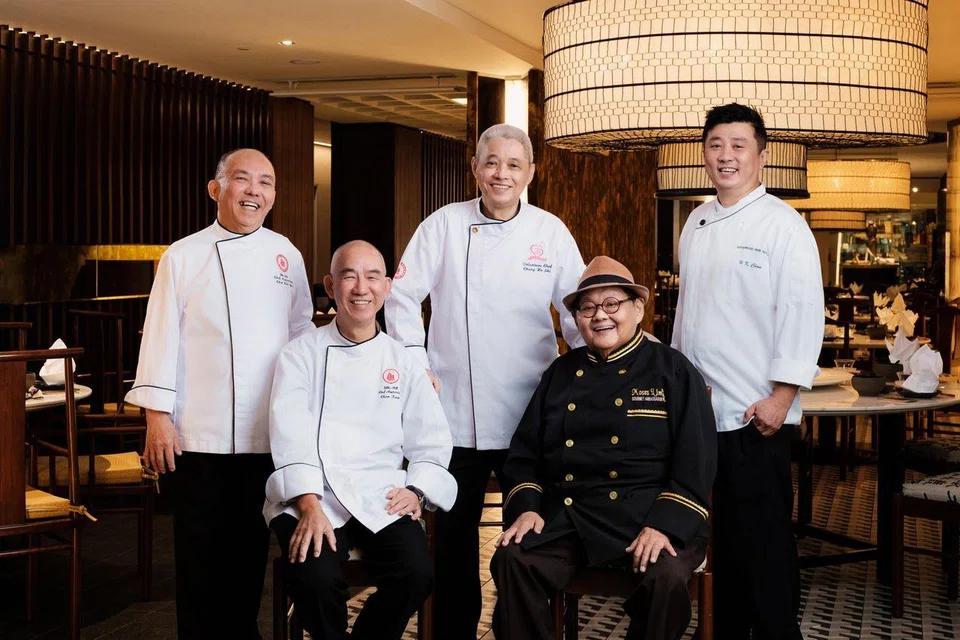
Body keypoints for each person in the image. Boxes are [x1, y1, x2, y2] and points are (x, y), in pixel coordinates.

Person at [384, 123, 586, 638]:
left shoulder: (550, 232)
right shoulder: (443, 225)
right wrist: (414, 360)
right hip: (452, 414)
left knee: (533, 529)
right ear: (474, 168)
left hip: (530, 415)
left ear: (531, 173)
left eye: (514, 165)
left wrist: (594, 375)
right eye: (492, 162)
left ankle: (523, 627)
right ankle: (454, 630)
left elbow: (577, 313)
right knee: (452, 537)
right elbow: (401, 297)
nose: (502, 174)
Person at [126, 148, 314, 639]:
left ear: (273, 195)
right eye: (242, 179)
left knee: (250, 551)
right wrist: (156, 416)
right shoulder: (183, 255)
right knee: (198, 556)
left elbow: (301, 341)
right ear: (216, 189)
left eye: (266, 183)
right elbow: (160, 332)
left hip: (264, 435)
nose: (254, 191)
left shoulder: (286, 254)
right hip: (198, 436)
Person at [491, 256, 716, 640]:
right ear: (576, 318)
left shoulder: (673, 370)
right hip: (572, 516)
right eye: (587, 307)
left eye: (612, 304)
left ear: (638, 308)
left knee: (665, 578)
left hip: (648, 515)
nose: (600, 316)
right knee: (513, 558)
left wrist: (663, 525)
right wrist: (527, 509)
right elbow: (524, 455)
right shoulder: (561, 373)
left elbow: (697, 462)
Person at [672, 103, 824, 639]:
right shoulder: (695, 220)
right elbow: (687, 317)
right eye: (716, 145)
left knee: (766, 546)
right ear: (705, 154)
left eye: (739, 145)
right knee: (721, 546)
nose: (726, 155)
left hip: (755, 415)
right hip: (699, 417)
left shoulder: (784, 225)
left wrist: (781, 398)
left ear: (761, 155)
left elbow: (802, 314)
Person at [264, 240, 457, 640]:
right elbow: (289, 435)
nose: (361, 287)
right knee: (315, 581)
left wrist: (418, 490)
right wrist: (307, 502)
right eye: (349, 276)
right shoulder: (299, 355)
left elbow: (431, 439)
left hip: (379, 493)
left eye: (372, 277)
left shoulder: (403, 361)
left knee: (417, 574)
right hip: (315, 495)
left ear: (386, 288)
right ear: (330, 286)